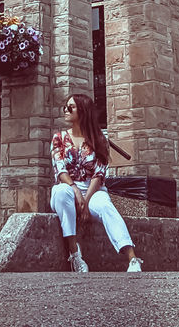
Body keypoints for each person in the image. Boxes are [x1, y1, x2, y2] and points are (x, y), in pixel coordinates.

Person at [50, 93, 143, 273]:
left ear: (83, 111)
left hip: (93, 189)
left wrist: (86, 201)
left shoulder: (99, 139)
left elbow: (99, 174)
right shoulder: (59, 138)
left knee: (105, 206)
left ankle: (132, 259)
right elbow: (60, 169)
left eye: (72, 107)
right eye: (65, 106)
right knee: (61, 193)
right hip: (68, 187)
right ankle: (75, 255)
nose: (66, 110)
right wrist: (76, 191)